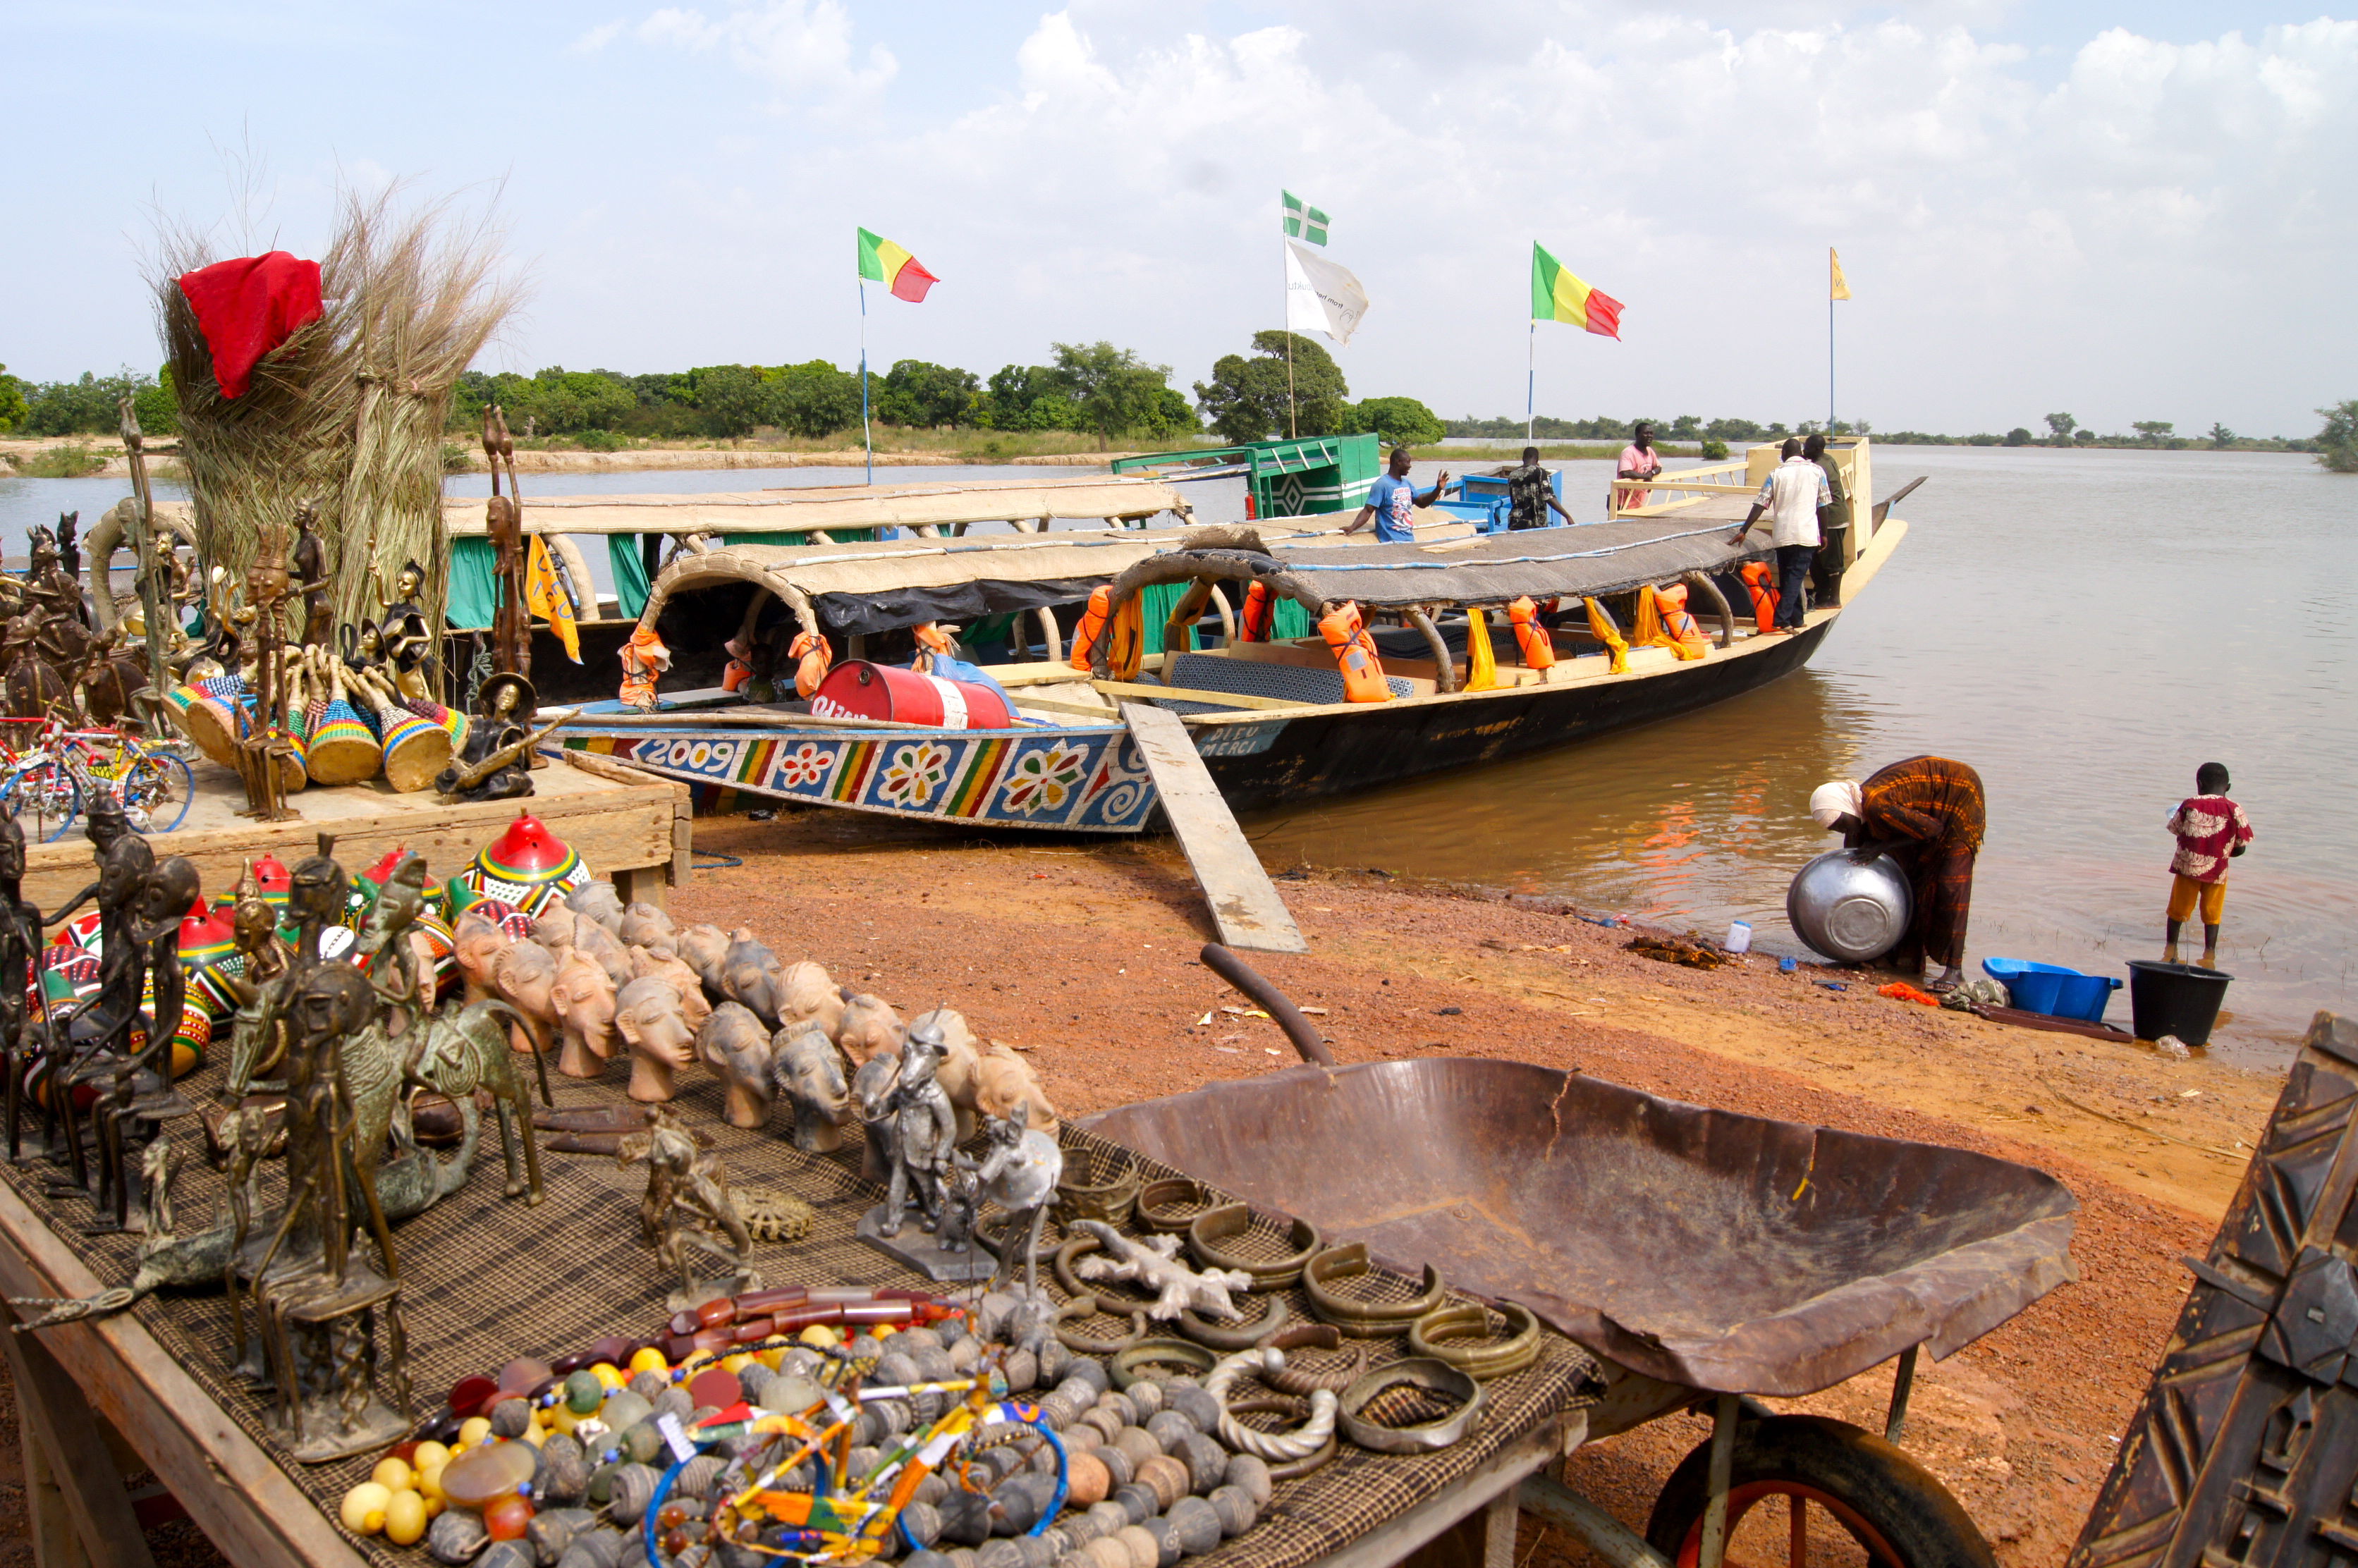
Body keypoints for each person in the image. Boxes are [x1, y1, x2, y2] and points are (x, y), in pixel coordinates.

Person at [1810, 756, 1986, 993]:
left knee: (1951, 885)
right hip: (1929, 812)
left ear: (1846, 807)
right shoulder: (1859, 812)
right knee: (1909, 877)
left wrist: (1881, 847)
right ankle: (1906, 961)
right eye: (1836, 829)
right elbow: (1852, 849)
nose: (1842, 831)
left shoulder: (1877, 806)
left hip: (1959, 797)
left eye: (1841, 825)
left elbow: (1934, 830)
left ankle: (1955, 971)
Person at [1732, 439, 1831, 634]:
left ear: (1785, 453)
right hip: (1806, 533)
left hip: (1783, 534)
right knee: (1795, 577)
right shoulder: (1817, 472)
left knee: (1788, 578)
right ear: (1800, 452)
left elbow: (1761, 503)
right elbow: (1823, 505)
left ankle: (1797, 619)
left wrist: (1744, 529)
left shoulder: (1776, 474)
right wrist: (1824, 534)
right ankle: (1782, 618)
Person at [2164, 762, 2254, 963]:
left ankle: (2171, 949)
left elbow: (2177, 830)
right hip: (2217, 872)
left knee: (2178, 911)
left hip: (2188, 869)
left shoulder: (2189, 805)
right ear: (2228, 787)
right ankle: (2209, 952)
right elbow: (2240, 847)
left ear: (2199, 784)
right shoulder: (2235, 809)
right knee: (2212, 914)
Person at [1345, 447, 1450, 544]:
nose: (1410, 466)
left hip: (1409, 539)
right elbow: (1368, 511)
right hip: (1392, 541)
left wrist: (1438, 489)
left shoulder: (1407, 483)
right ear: (1398, 462)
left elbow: (1422, 502)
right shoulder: (1382, 485)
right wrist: (1352, 528)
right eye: (1408, 462)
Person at [1802, 433, 1852, 607]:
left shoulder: (1819, 468)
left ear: (1816, 449)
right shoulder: (1827, 459)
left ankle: (1835, 599)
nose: (1804, 450)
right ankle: (1822, 595)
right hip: (1829, 517)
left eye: (1807, 448)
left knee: (1832, 562)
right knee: (1818, 559)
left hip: (1832, 519)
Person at [1505, 446, 1576, 530]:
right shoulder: (1539, 472)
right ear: (1537, 459)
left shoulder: (1512, 474)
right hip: (1534, 523)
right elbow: (1549, 497)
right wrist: (1567, 516)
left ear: (1523, 458)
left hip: (1515, 522)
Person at [1614, 422, 1663, 513]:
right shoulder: (1629, 452)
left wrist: (1651, 473)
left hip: (1638, 503)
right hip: (1622, 503)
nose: (1649, 436)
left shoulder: (1650, 451)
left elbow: (1658, 467)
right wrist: (1646, 477)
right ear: (1637, 435)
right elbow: (1625, 473)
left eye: (1651, 433)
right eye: (1646, 433)